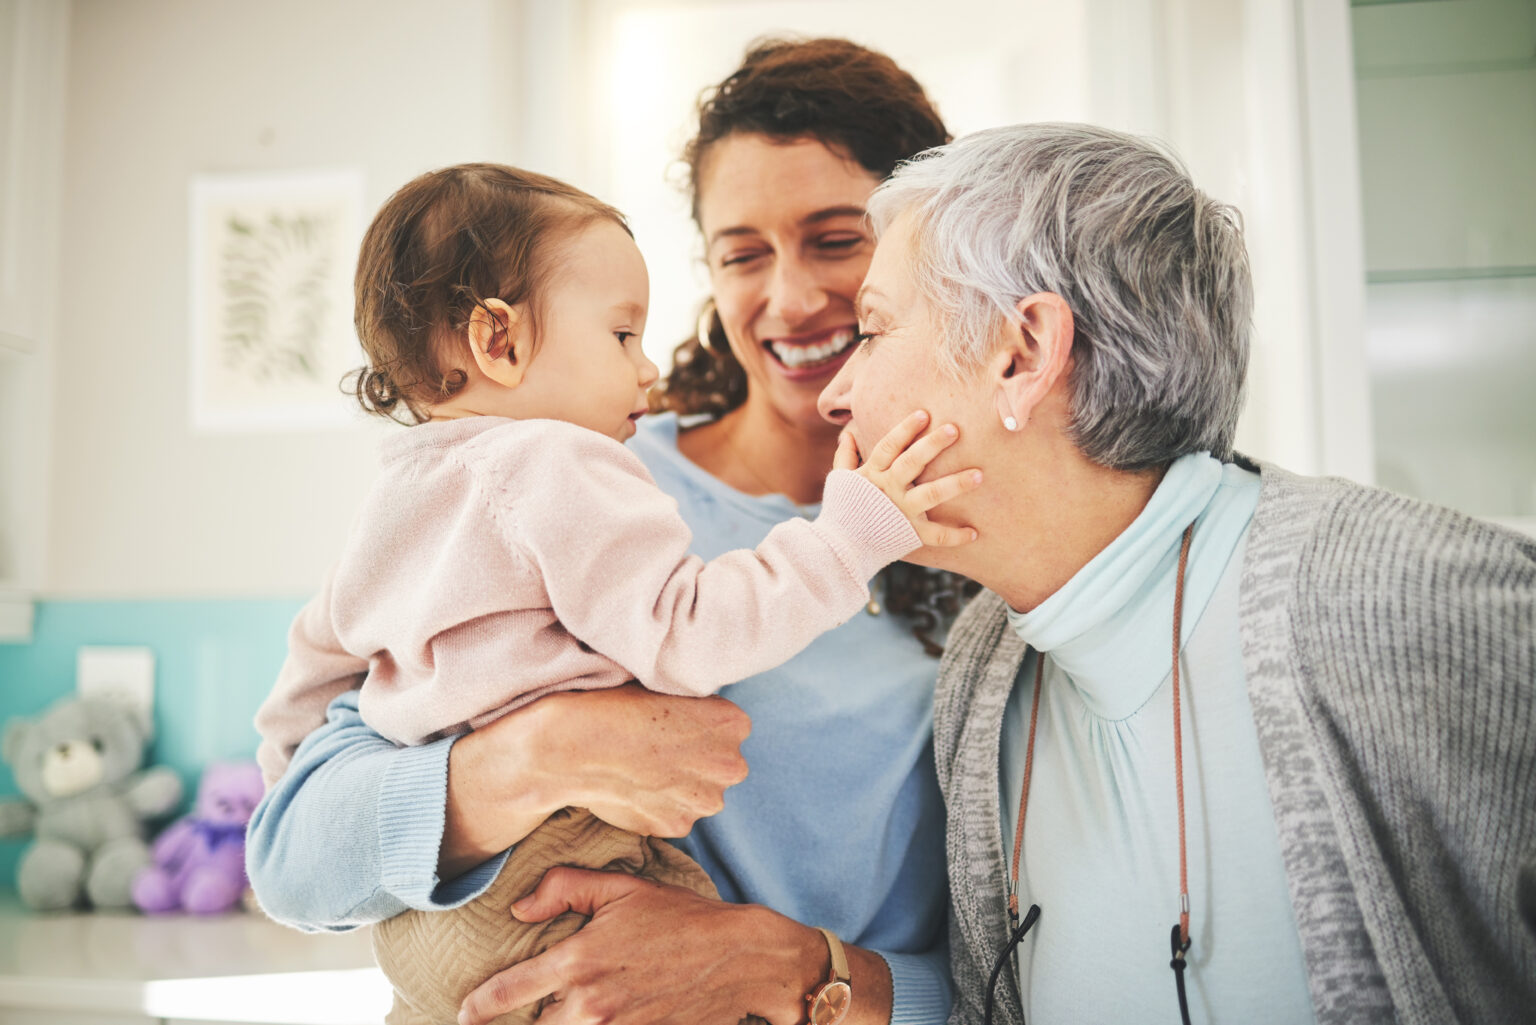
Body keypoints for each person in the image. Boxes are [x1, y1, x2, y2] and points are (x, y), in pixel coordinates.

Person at [247, 38, 963, 1025]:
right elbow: (292, 858)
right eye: (742, 252)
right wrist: (528, 758)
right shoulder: (579, 471)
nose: (790, 296)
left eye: (838, 239)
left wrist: (805, 971)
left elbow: (1034, 969)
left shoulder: (982, 544)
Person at [814, 122, 1536, 1025]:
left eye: (873, 330)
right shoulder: (982, 664)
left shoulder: (1408, 599)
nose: (834, 394)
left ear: (1024, 352)